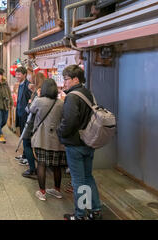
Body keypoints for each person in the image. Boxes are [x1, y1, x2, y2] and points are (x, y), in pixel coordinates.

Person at [57, 65, 102, 220]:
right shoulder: (88, 94)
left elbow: (69, 121)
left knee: (78, 180)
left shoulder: (73, 97)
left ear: (75, 79)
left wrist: (60, 132)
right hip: (89, 142)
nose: (64, 82)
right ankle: (95, 210)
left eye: (66, 79)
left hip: (75, 145)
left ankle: (80, 214)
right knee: (88, 177)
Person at [29, 79, 66, 201]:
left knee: (41, 164)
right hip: (57, 140)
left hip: (42, 138)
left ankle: (42, 192)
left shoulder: (39, 101)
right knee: (57, 166)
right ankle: (57, 190)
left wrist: (36, 97)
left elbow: (30, 110)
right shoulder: (60, 103)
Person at [15, 67, 36, 177]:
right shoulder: (21, 84)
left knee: (25, 137)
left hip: (26, 115)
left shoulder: (28, 85)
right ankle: (24, 155)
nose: (17, 76)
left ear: (24, 74)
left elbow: (30, 101)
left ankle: (28, 159)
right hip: (20, 114)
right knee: (23, 136)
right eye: (16, 74)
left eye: (19, 74)